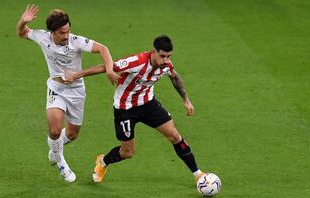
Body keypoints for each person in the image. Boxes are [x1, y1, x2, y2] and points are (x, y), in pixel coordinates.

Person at [66, 35, 204, 184]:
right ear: (153, 52)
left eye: (168, 56)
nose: (165, 60)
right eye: (162, 56)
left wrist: (186, 100)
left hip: (148, 104)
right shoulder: (136, 62)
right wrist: (76, 75)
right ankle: (103, 161)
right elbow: (107, 66)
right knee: (127, 152)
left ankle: (198, 175)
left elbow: (175, 78)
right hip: (125, 108)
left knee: (175, 136)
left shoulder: (166, 65)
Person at [16, 4, 119, 183]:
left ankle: (55, 150)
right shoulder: (42, 37)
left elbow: (103, 49)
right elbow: (22, 32)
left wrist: (109, 70)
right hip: (56, 88)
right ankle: (61, 162)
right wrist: (22, 22)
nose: (66, 36)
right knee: (55, 129)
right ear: (52, 32)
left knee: (72, 134)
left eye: (68, 31)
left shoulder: (76, 41)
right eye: (62, 33)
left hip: (77, 91)